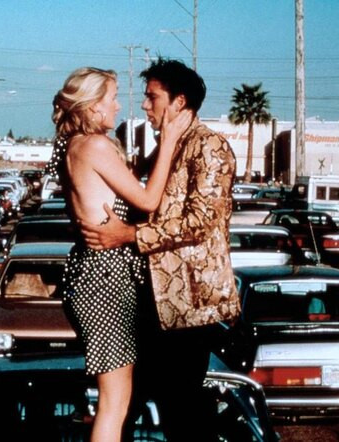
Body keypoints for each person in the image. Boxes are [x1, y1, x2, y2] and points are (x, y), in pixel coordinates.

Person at [80, 58, 241, 441]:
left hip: (189, 306)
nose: (144, 105)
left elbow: (200, 221)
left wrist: (129, 235)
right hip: (154, 302)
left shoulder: (209, 146)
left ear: (179, 102)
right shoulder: (166, 147)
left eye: (152, 97)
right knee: (147, 404)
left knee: (181, 411)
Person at [47, 66, 191, 442]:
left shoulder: (75, 145)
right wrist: (169, 140)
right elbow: (148, 199)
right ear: (93, 105)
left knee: (117, 399)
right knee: (115, 402)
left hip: (97, 274)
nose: (118, 106)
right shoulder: (93, 146)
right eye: (112, 98)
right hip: (105, 278)